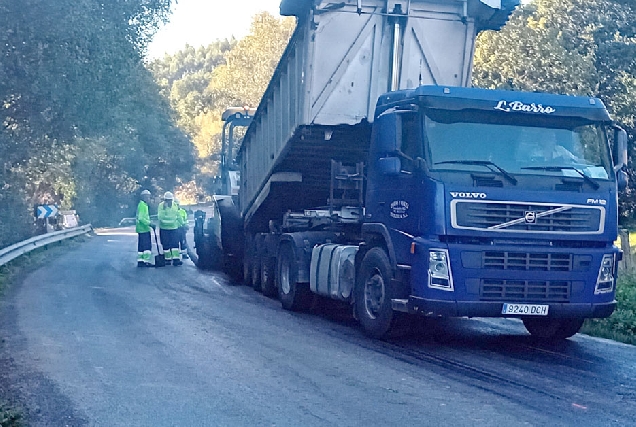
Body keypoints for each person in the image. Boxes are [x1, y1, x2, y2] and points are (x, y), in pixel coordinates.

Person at [157, 191, 183, 266]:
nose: (169, 202)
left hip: (174, 228)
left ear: (172, 200)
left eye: (170, 200)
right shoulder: (161, 206)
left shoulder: (175, 205)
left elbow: (178, 215)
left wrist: (182, 224)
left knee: (175, 244)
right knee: (165, 244)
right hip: (164, 228)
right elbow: (160, 217)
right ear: (165, 200)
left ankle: (176, 259)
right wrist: (164, 209)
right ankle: (167, 259)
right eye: (167, 200)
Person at [136, 190, 154, 267]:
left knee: (141, 246)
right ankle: (146, 261)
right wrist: (149, 223)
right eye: (148, 197)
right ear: (144, 197)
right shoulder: (143, 206)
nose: (149, 198)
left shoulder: (142, 205)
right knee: (147, 246)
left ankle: (140, 261)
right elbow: (141, 218)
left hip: (141, 229)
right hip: (144, 229)